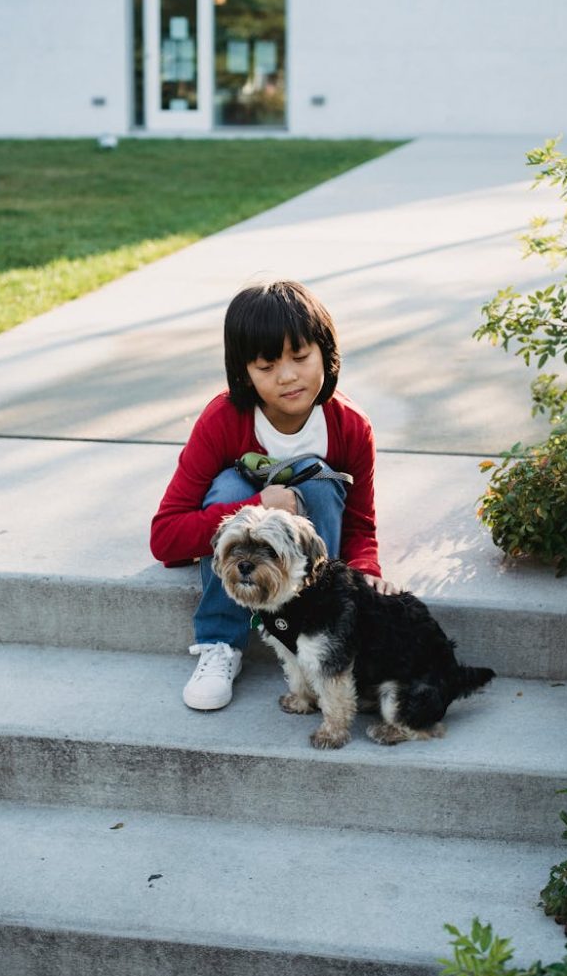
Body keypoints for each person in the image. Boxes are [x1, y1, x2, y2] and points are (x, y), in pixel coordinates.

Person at [150, 279, 396, 711]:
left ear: (326, 351)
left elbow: (361, 523)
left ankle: (319, 633)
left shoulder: (350, 427)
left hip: (306, 582)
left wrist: (364, 567)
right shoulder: (222, 420)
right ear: (243, 371)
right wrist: (256, 507)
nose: (287, 376)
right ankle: (220, 643)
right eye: (266, 366)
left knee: (319, 479)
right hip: (244, 537)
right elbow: (165, 535)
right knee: (228, 485)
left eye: (300, 357)